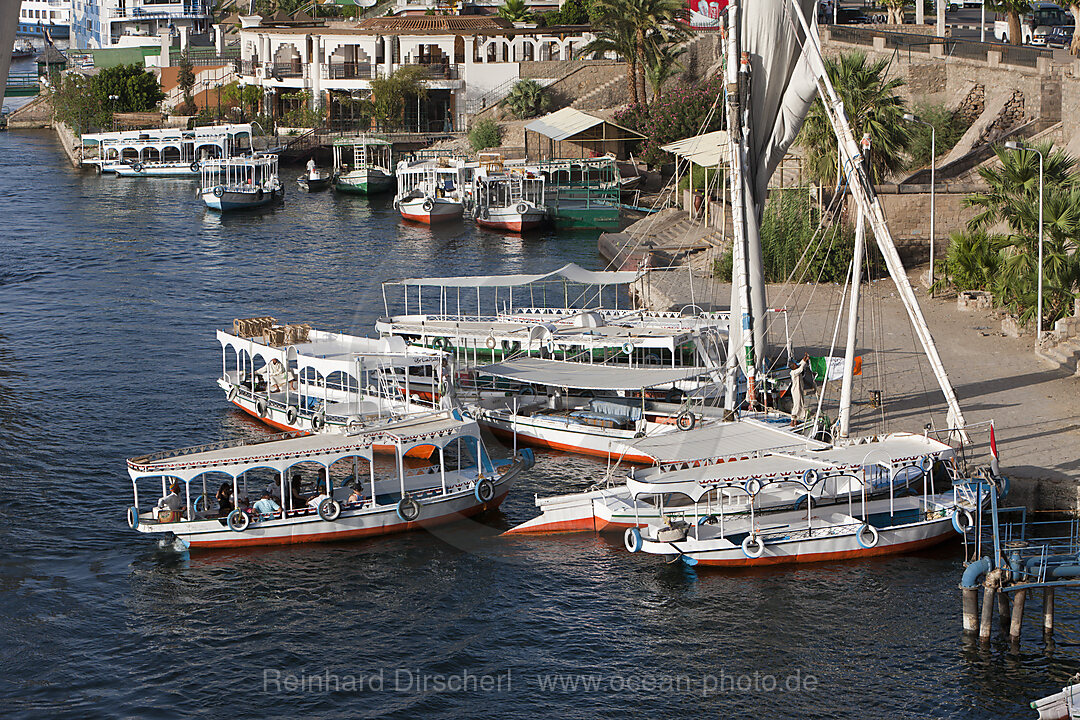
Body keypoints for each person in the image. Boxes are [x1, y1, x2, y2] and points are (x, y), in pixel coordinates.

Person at [789, 353, 811, 426]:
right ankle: (792, 420)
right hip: (795, 390)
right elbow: (801, 369)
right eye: (795, 365)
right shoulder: (793, 372)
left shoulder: (796, 368)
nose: (796, 365)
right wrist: (805, 361)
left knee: (801, 402)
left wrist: (805, 357)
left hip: (799, 388)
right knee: (797, 404)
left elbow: (800, 364)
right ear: (793, 367)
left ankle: (797, 419)